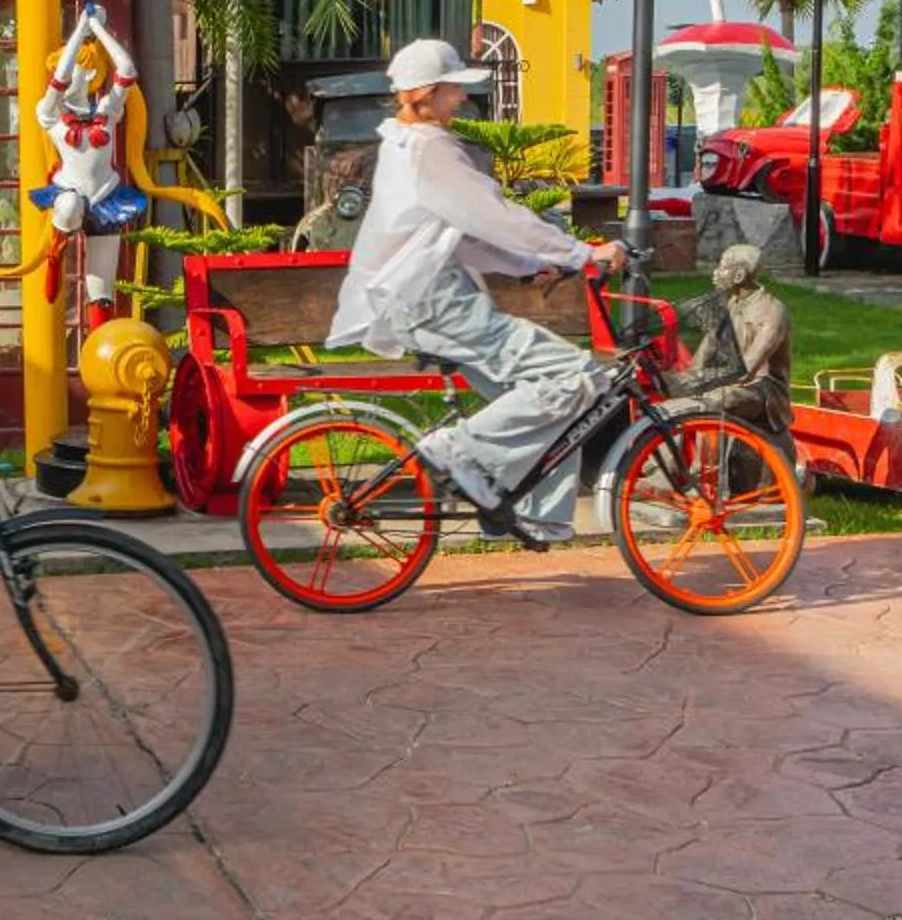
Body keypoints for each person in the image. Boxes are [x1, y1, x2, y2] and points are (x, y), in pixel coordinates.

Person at [329, 37, 630, 544]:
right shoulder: (430, 150)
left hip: (428, 298)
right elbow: (494, 216)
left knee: (551, 398)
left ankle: (531, 511)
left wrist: (531, 263)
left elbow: (462, 233)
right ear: (424, 94)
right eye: (452, 90)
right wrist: (580, 253)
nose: (461, 99)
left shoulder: (407, 145)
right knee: (574, 376)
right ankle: (460, 450)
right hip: (435, 302)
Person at [668, 243, 792, 438]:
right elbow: (708, 348)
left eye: (723, 268)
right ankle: (661, 465)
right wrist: (686, 380)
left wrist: (703, 382)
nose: (716, 273)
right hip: (732, 379)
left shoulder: (773, 312)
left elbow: (747, 370)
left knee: (712, 400)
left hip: (764, 391)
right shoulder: (732, 303)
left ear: (739, 276)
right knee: (676, 400)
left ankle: (708, 463)